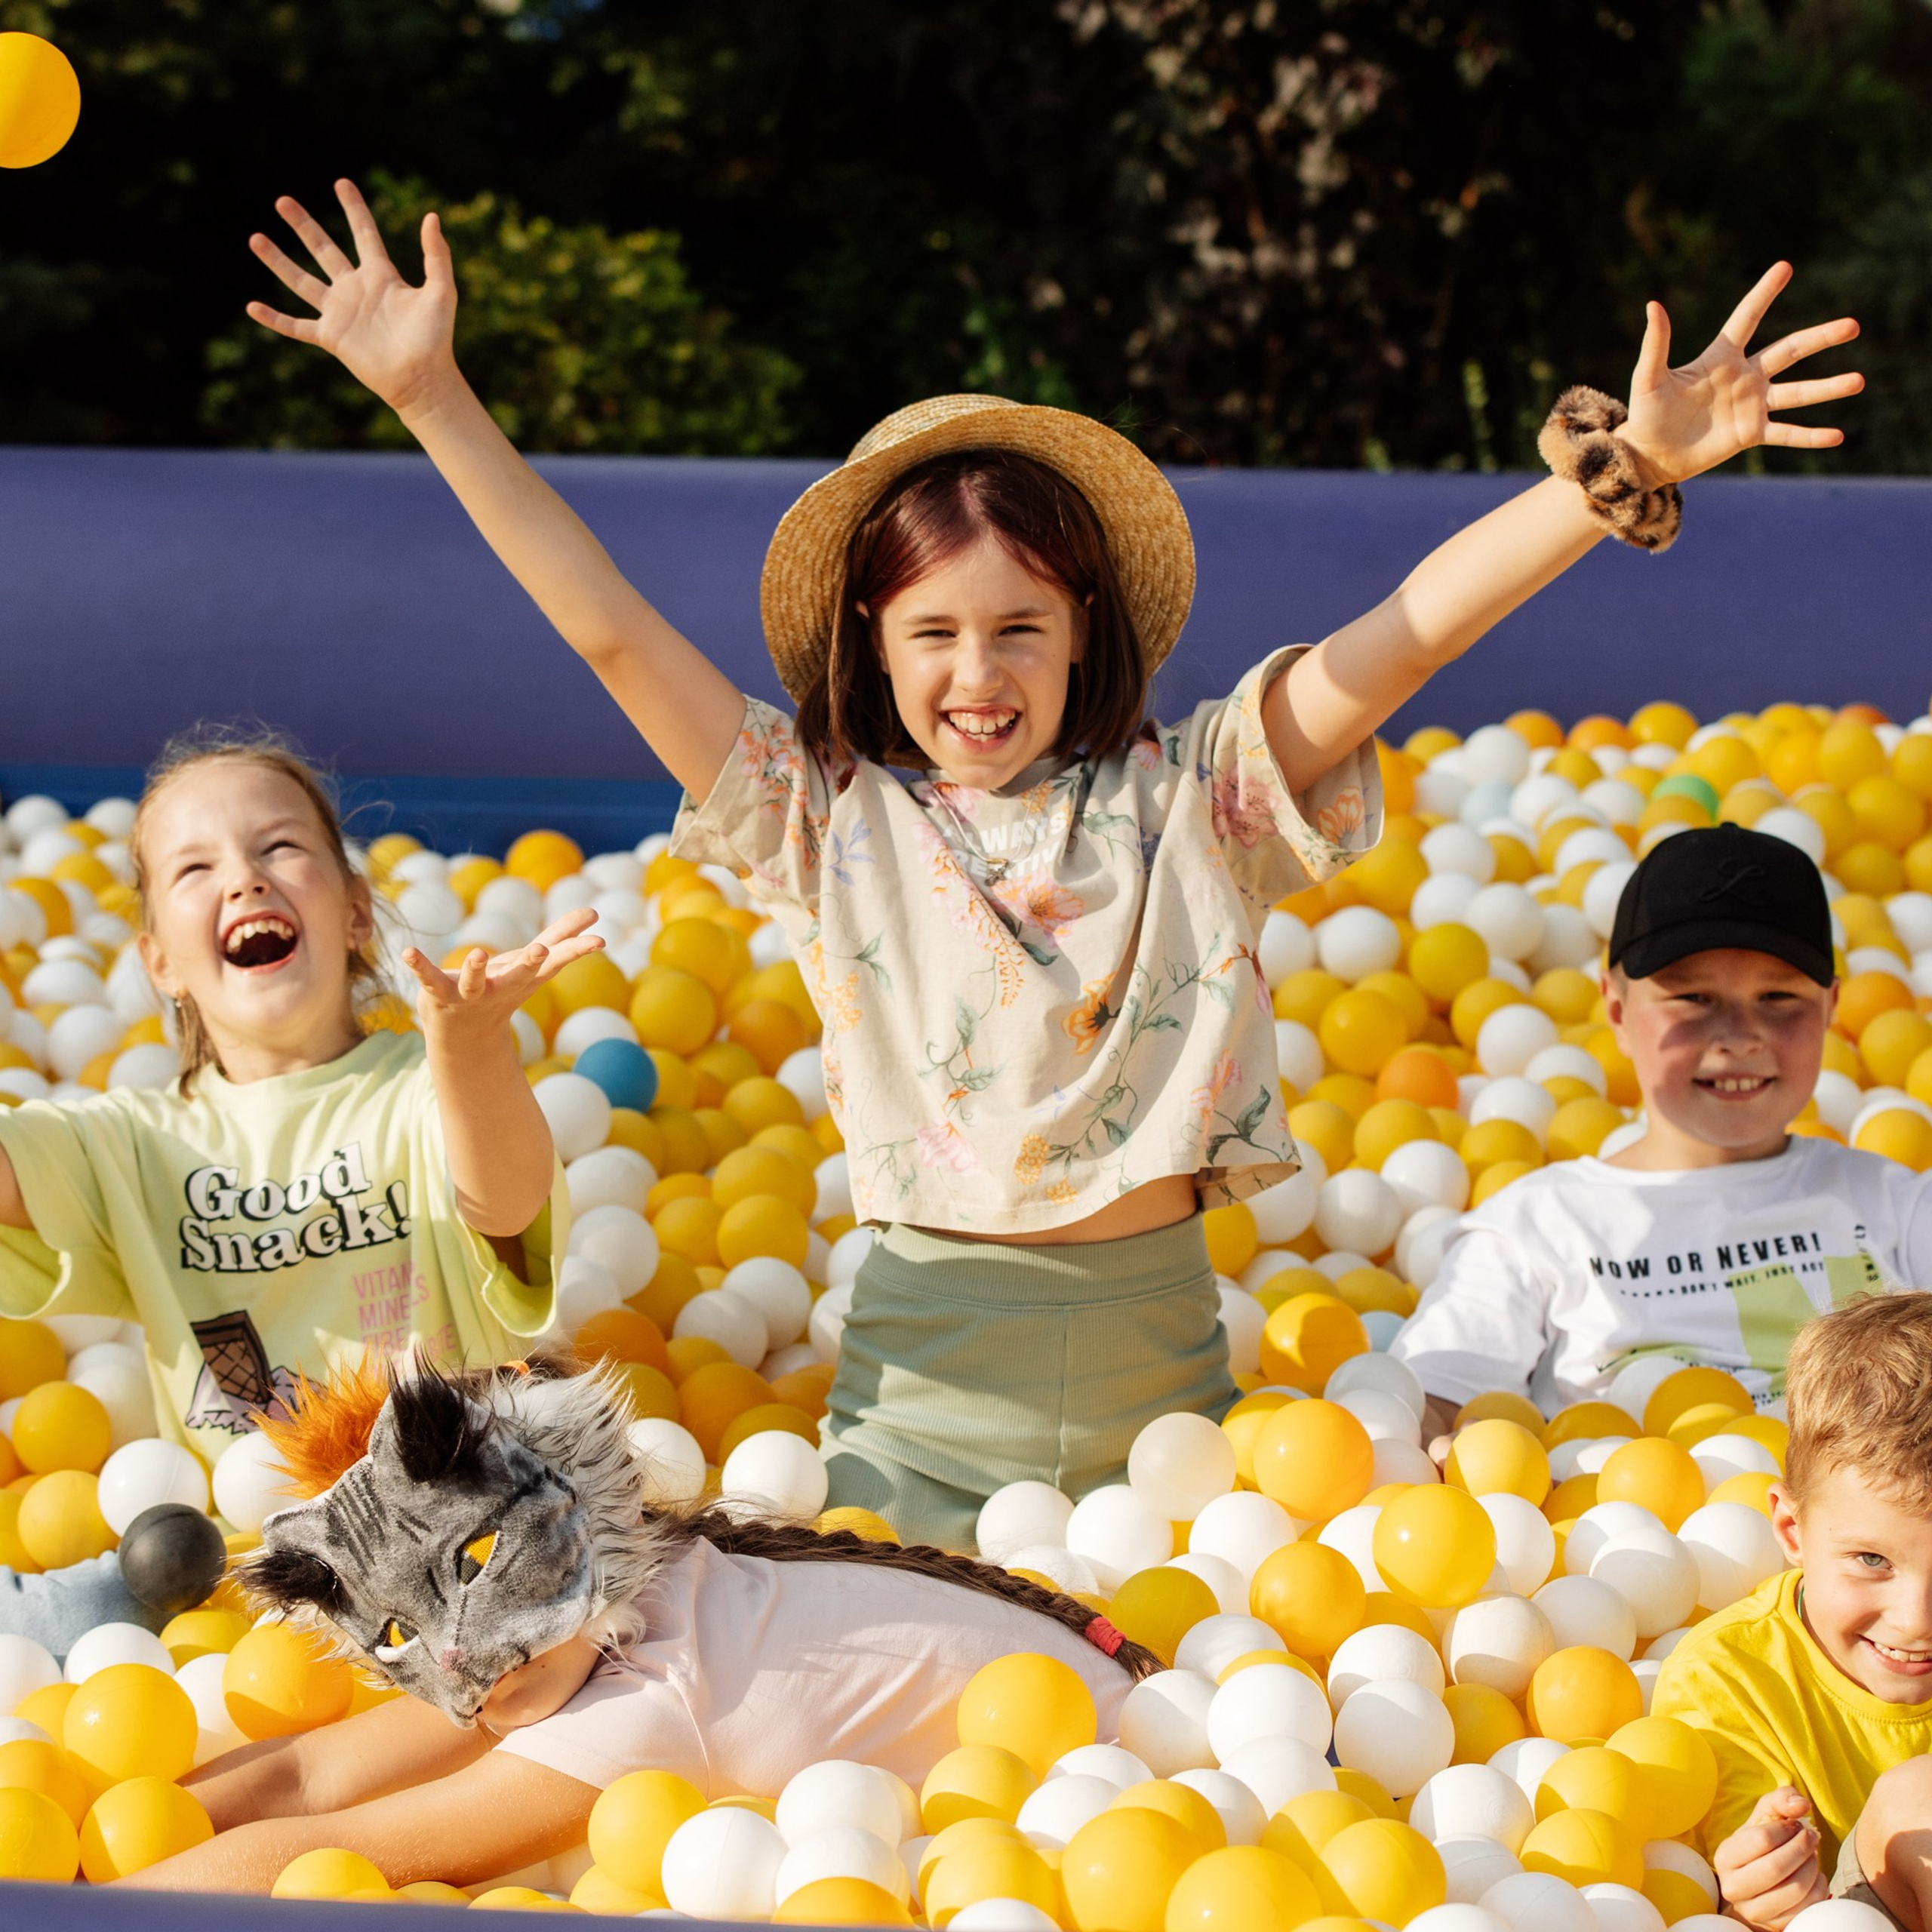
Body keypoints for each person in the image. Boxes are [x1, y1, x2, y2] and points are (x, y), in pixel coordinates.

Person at [245, 176, 1863, 1546]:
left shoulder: (1195, 799)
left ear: (1082, 632)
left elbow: (1398, 642)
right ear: (868, 652)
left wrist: (1609, 481)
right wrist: (431, 398)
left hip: (1161, 1367)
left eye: (1019, 626)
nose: (977, 674)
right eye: (932, 633)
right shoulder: (824, 821)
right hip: (922, 1373)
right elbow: (606, 633)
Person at [125, 1354, 1150, 1895]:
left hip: (1114, 1787)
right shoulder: (570, 1629)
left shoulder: (648, 1702)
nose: (463, 1663)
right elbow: (308, 1775)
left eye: (479, 1573)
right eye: (407, 1631)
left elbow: (349, 1846)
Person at [0, 730, 590, 1647]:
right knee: (48, 1620)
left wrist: (471, 1052)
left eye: (279, 848)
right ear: (160, 961)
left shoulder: (422, 1088)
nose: (244, 880)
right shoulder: (127, 1141)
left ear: (356, 912)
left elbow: (506, 1203)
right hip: (241, 1578)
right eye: (196, 867)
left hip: (465, 1548)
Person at [1392, 823, 1932, 1438]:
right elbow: (1428, 1401)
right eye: (1696, 999)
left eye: (1780, 997)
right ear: (1617, 1011)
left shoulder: (1897, 1206)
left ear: (1832, 1008)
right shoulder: (1537, 1226)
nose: (1739, 1036)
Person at [1653, 1292, 1932, 1930]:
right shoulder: (1730, 1679)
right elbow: (1749, 1895)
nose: (1916, 1618)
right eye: (1871, 1560)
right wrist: (1760, 1889)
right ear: (1792, 1530)